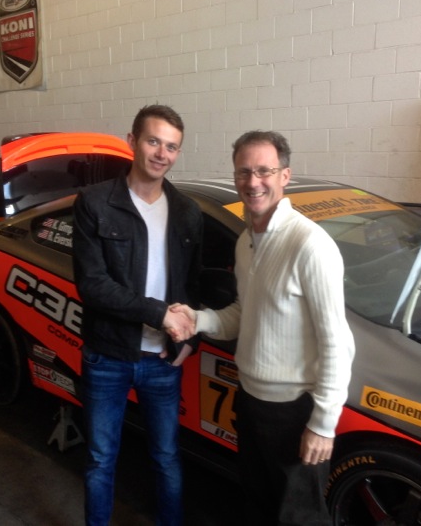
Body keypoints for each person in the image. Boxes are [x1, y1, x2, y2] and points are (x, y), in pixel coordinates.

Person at [170, 131, 355, 525]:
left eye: (263, 171)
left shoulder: (310, 245)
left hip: (294, 412)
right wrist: (197, 319)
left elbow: (337, 343)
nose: (253, 182)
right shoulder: (246, 242)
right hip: (251, 401)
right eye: (243, 172)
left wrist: (323, 424)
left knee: (299, 519)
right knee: (257, 506)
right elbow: (244, 312)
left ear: (284, 175)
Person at [72, 104, 202, 526]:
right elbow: (92, 285)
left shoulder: (187, 212)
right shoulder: (95, 203)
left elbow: (195, 288)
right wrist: (158, 314)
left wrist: (190, 340)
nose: (162, 154)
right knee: (100, 459)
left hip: (163, 361)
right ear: (132, 141)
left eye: (172, 146)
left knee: (166, 457)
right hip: (107, 356)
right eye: (153, 141)